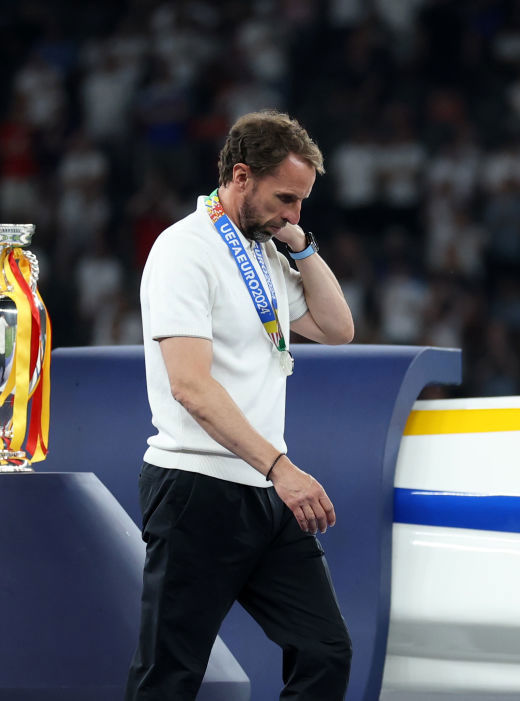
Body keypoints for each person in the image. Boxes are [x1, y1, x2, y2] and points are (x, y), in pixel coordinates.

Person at [126, 110, 355, 701]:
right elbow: (190, 386)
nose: (293, 214)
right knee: (168, 676)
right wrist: (281, 468)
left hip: (265, 490)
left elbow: (337, 328)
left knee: (324, 652)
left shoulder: (269, 250)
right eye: (285, 198)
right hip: (195, 486)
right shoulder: (183, 250)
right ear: (241, 176)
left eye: (302, 202)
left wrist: (301, 245)